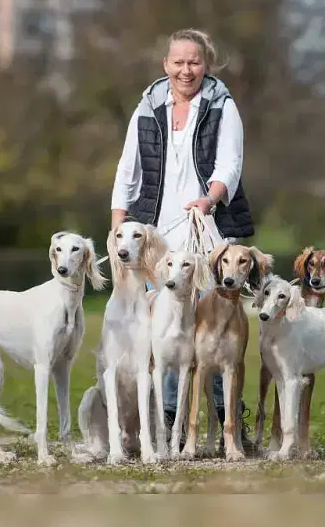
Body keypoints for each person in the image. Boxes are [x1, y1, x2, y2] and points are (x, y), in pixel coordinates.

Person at [110, 28, 256, 453]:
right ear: (166, 65)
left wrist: (209, 198)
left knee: (215, 334)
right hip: (160, 240)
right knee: (168, 333)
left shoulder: (222, 106)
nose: (186, 70)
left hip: (209, 233)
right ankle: (170, 427)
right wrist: (117, 225)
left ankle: (231, 426)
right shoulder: (147, 108)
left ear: (205, 65)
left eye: (194, 62)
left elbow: (231, 163)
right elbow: (127, 168)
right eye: (178, 62)